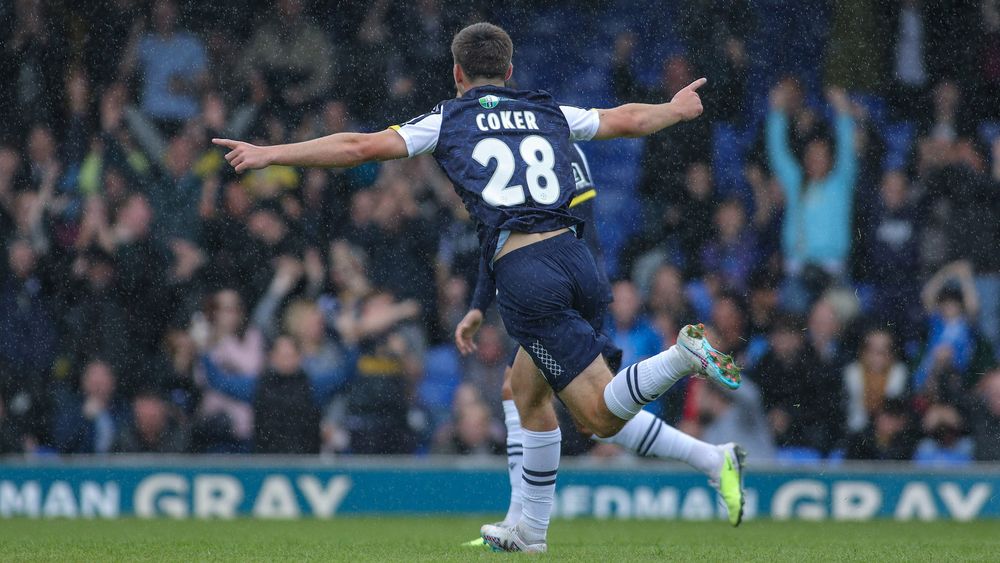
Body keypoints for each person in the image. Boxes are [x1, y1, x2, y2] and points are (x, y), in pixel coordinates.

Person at [214, 22, 743, 553]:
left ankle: (681, 356)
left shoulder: (449, 118)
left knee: (599, 416)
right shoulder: (546, 109)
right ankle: (529, 530)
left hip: (527, 277)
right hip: (575, 258)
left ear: (457, 72)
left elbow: (358, 146)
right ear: (509, 71)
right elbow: (624, 119)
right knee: (523, 391)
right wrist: (674, 109)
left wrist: (272, 153)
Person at [454, 145, 743, 548]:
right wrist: (479, 305)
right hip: (555, 288)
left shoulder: (551, 149)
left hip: (559, 294)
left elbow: (579, 228)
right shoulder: (537, 144)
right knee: (564, 406)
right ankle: (712, 458)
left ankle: (521, 524)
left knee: (584, 411)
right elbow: (501, 238)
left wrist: (574, 299)